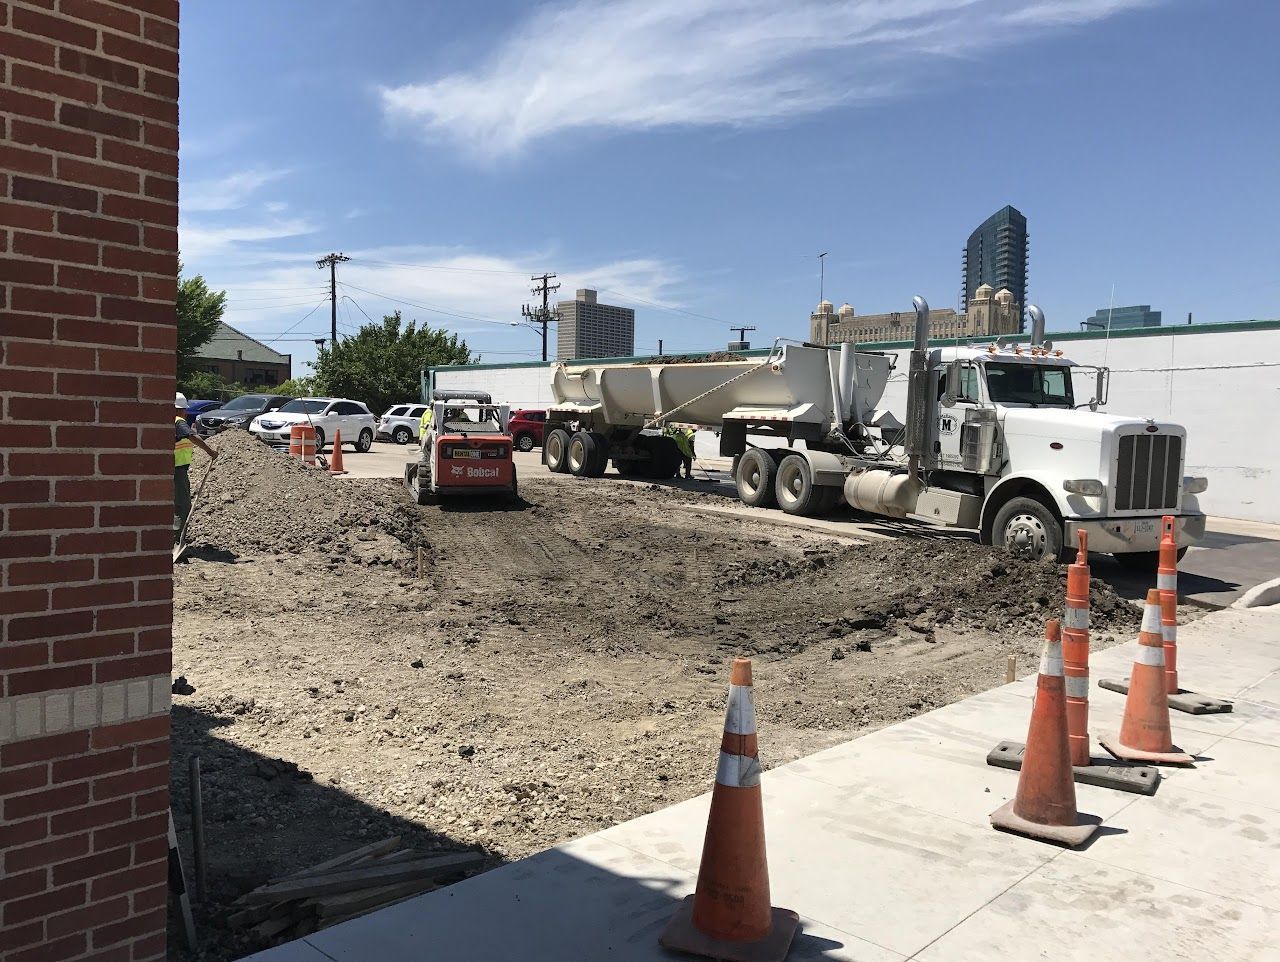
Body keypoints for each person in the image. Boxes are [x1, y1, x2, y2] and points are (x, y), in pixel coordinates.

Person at [175, 393, 218, 542]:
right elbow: (192, 436)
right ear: (180, 409)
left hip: (171, 469)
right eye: (184, 409)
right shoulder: (178, 422)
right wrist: (210, 452)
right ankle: (175, 541)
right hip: (177, 470)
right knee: (183, 505)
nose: (185, 413)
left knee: (175, 504)